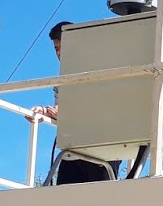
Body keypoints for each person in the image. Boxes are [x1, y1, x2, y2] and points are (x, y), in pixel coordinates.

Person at [30, 22, 118, 184]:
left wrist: (63, 112)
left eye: (63, 47)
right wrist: (45, 113)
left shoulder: (102, 70)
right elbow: (61, 110)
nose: (59, 53)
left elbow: (104, 105)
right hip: (72, 148)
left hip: (103, 146)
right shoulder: (61, 80)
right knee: (65, 197)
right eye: (56, 48)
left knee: (101, 197)